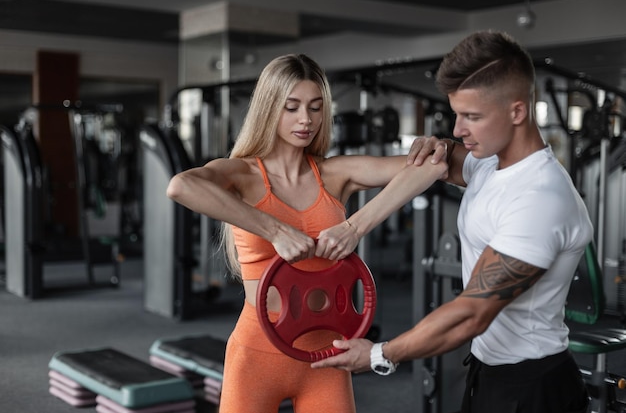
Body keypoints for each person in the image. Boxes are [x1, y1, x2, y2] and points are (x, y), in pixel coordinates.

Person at [311, 30, 593, 413]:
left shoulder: (539, 199)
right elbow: (444, 159)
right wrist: (438, 145)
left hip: (532, 388)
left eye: (472, 117)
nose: (459, 128)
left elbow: (471, 314)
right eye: (457, 114)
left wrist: (380, 353)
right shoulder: (490, 164)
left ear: (517, 112)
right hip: (487, 372)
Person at [166, 53, 447, 413]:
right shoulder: (241, 175)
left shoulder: (333, 174)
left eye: (316, 108)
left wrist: (355, 225)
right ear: (269, 108)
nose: (306, 119)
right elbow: (180, 186)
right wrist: (275, 230)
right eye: (292, 107)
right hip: (258, 351)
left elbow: (434, 166)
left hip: (327, 352)